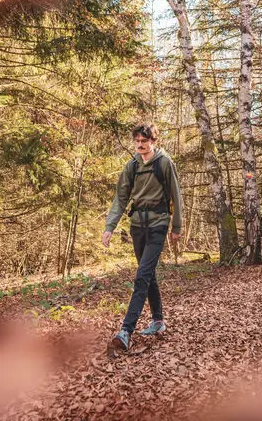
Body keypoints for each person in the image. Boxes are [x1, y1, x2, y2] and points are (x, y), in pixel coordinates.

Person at [103, 123, 182, 353]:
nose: (140, 144)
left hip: (158, 224)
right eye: (137, 140)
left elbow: (176, 196)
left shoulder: (164, 163)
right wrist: (110, 227)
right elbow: (120, 199)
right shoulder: (132, 166)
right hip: (137, 226)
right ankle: (158, 321)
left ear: (153, 141)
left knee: (142, 276)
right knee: (147, 275)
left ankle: (126, 330)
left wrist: (176, 226)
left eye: (144, 141)